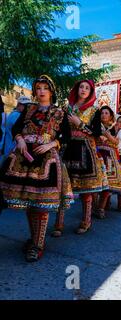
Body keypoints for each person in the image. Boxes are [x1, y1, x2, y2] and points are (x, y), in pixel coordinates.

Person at [0, 75, 73, 262]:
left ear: (51, 91)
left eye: (45, 88)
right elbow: (15, 129)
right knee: (29, 202)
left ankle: (38, 244)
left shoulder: (60, 112)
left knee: (41, 203)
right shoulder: (29, 109)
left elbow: (67, 136)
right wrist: (20, 140)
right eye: (38, 88)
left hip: (46, 158)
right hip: (24, 156)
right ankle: (34, 239)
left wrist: (51, 145)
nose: (41, 91)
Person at [55, 79, 108, 236]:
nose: (84, 90)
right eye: (81, 87)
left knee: (87, 189)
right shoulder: (67, 108)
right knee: (63, 187)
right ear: (77, 89)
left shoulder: (95, 110)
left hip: (86, 150)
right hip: (68, 149)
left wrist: (80, 124)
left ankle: (86, 222)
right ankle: (58, 224)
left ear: (91, 92)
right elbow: (60, 129)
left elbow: (97, 132)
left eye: (87, 88)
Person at [93, 105, 121, 219]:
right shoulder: (95, 126)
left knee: (108, 184)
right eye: (102, 113)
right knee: (95, 183)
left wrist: (107, 134)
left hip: (110, 158)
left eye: (106, 113)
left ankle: (101, 208)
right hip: (97, 156)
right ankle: (94, 207)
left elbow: (117, 142)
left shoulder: (114, 128)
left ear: (111, 115)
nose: (104, 115)